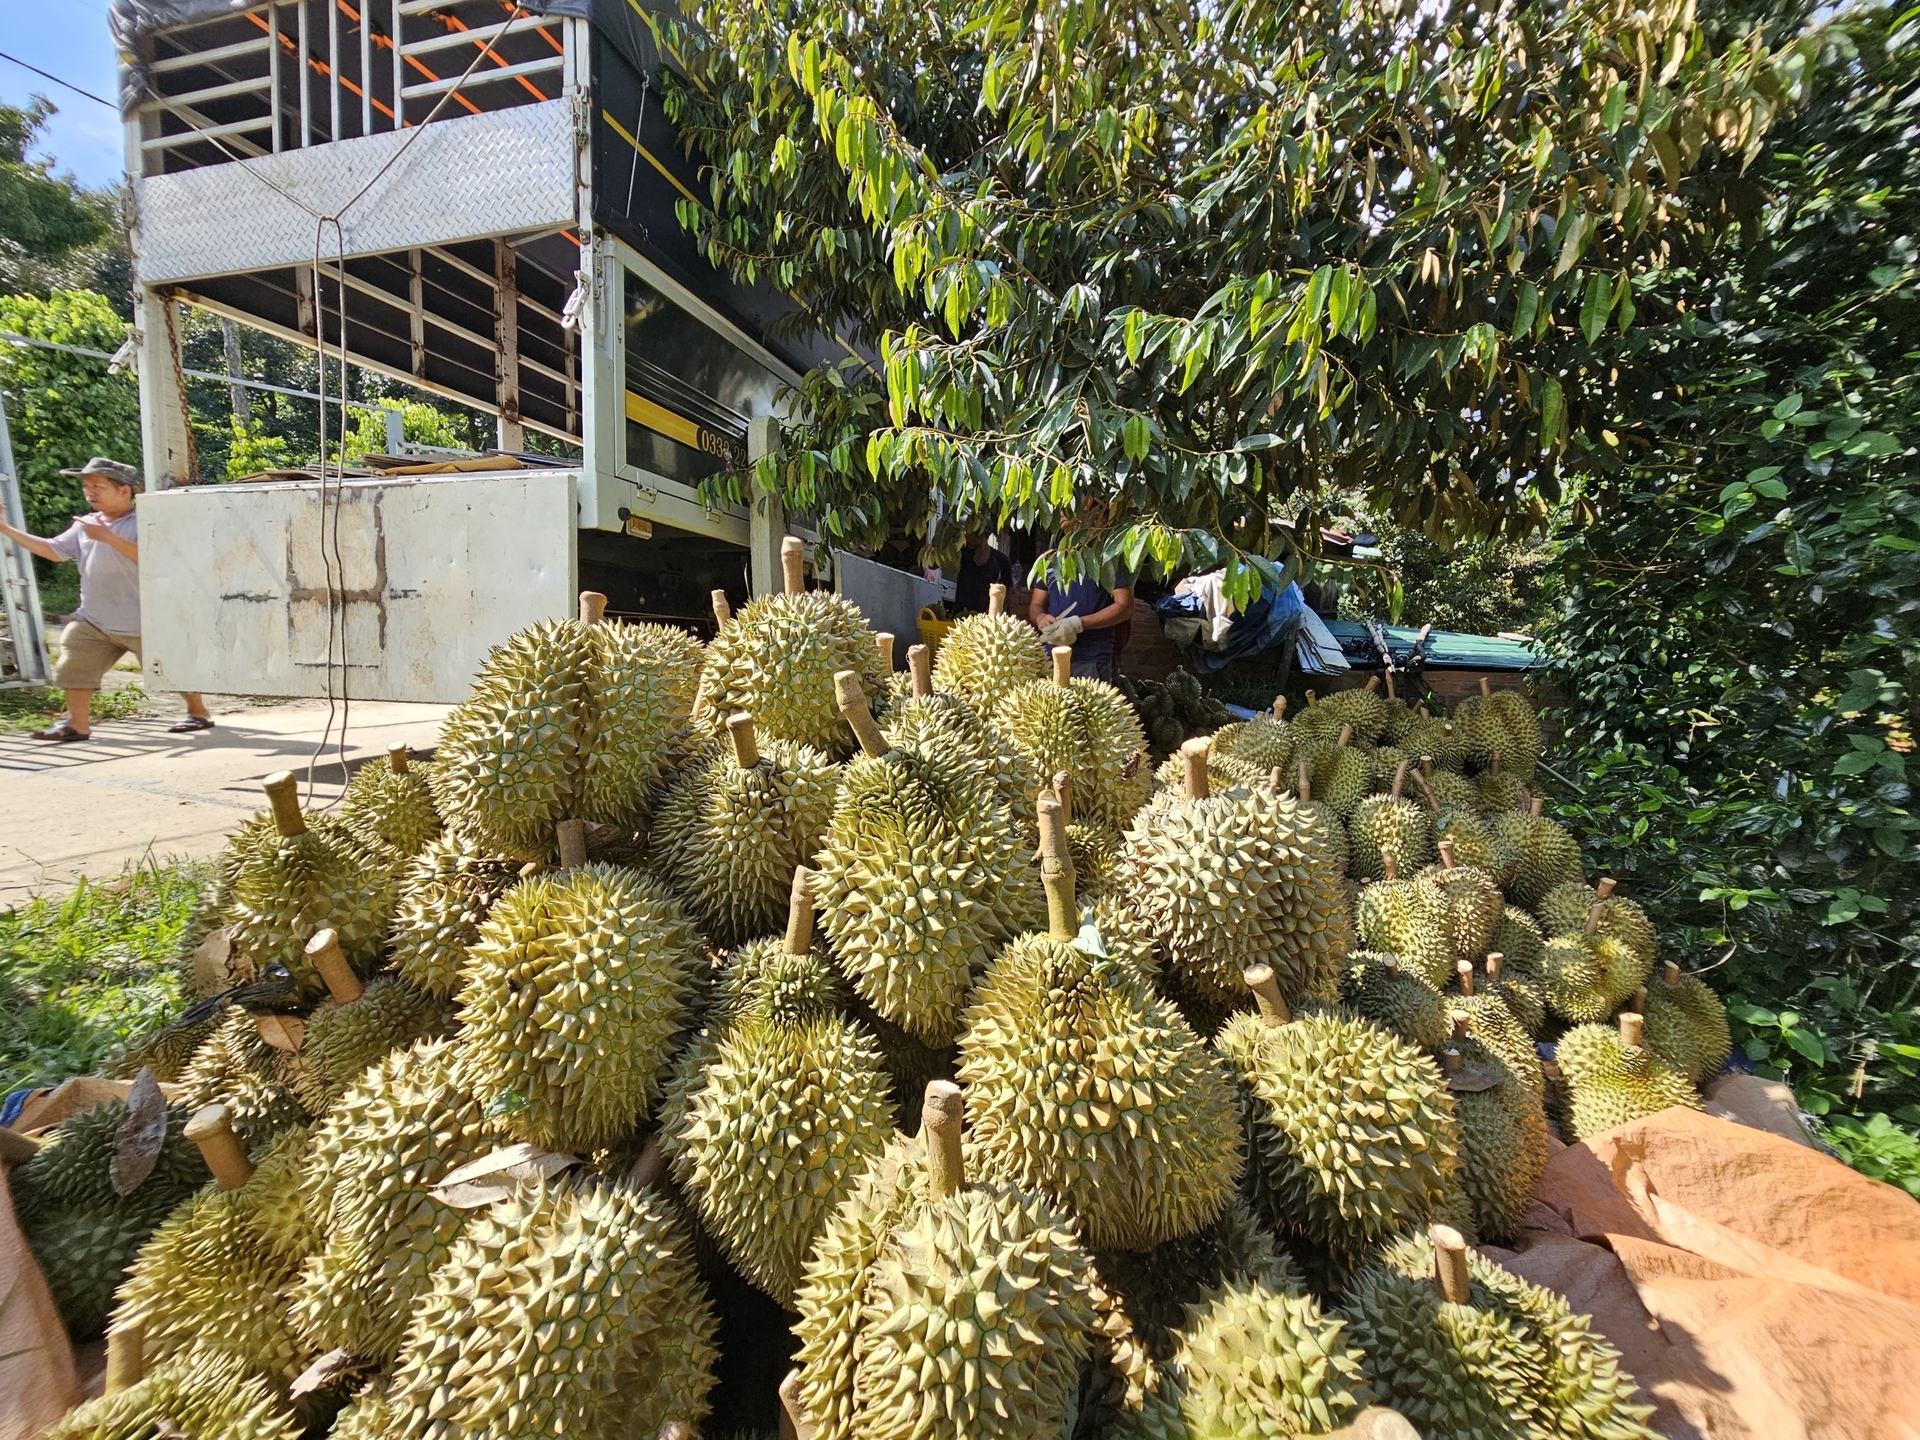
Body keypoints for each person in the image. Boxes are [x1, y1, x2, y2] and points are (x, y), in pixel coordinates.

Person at [0, 456, 214, 742]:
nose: (90, 493)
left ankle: (198, 713)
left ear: (124, 490)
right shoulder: (85, 524)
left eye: (98, 485)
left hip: (146, 620)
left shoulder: (146, 521)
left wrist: (108, 537)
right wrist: (5, 529)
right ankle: (77, 725)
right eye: (87, 486)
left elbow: (158, 560)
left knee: (173, 669)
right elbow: (53, 551)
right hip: (95, 618)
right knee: (73, 661)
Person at [1029, 503, 1134, 679]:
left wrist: (1079, 624)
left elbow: (1125, 607)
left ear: (1087, 511)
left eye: (1068, 508)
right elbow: (1036, 604)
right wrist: (1040, 618)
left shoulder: (1104, 556)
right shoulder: (1051, 557)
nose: (1061, 514)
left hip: (1091, 660)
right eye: (1060, 509)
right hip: (1049, 656)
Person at [951, 530, 1013, 614]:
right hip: (961, 616)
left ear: (980, 535)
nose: (965, 535)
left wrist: (999, 610)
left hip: (986, 620)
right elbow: (933, 566)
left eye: (969, 532)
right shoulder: (962, 553)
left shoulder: (1000, 560)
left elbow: (1008, 590)